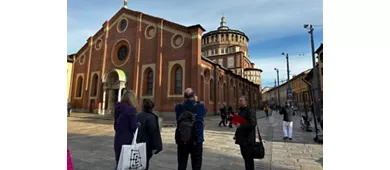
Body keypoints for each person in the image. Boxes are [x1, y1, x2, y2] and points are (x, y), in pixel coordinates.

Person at [175, 88, 207, 170]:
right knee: (196, 165)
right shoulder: (200, 107)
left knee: (182, 164)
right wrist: (196, 102)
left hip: (182, 139)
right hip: (197, 140)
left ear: (184, 97)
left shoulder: (178, 107)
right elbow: (204, 112)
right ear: (194, 96)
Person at [113, 90, 138, 169]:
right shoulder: (131, 110)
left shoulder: (118, 109)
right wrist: (139, 124)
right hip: (127, 140)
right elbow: (134, 127)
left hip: (118, 139)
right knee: (126, 164)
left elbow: (115, 126)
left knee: (119, 163)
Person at [136, 99, 163, 170]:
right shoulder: (152, 117)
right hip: (146, 146)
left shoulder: (138, 115)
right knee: (144, 164)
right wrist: (156, 147)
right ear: (153, 108)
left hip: (137, 144)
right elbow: (154, 133)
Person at [234, 96, 257, 170]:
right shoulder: (241, 111)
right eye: (239, 101)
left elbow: (253, 123)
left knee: (249, 158)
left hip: (248, 139)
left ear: (246, 102)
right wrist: (236, 135)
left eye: (241, 101)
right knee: (245, 158)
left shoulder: (250, 110)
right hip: (242, 138)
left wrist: (241, 125)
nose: (239, 102)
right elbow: (239, 123)